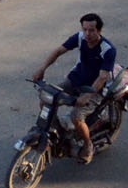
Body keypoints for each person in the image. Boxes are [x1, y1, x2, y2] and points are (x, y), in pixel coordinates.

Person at [30, 12, 117, 165]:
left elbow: (102, 77)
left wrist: (87, 96)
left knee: (76, 116)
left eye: (91, 30)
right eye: (85, 30)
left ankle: (87, 144)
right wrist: (42, 68)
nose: (87, 34)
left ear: (99, 31)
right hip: (75, 80)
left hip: (95, 89)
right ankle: (56, 132)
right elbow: (58, 51)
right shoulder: (79, 38)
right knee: (46, 100)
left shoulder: (108, 49)